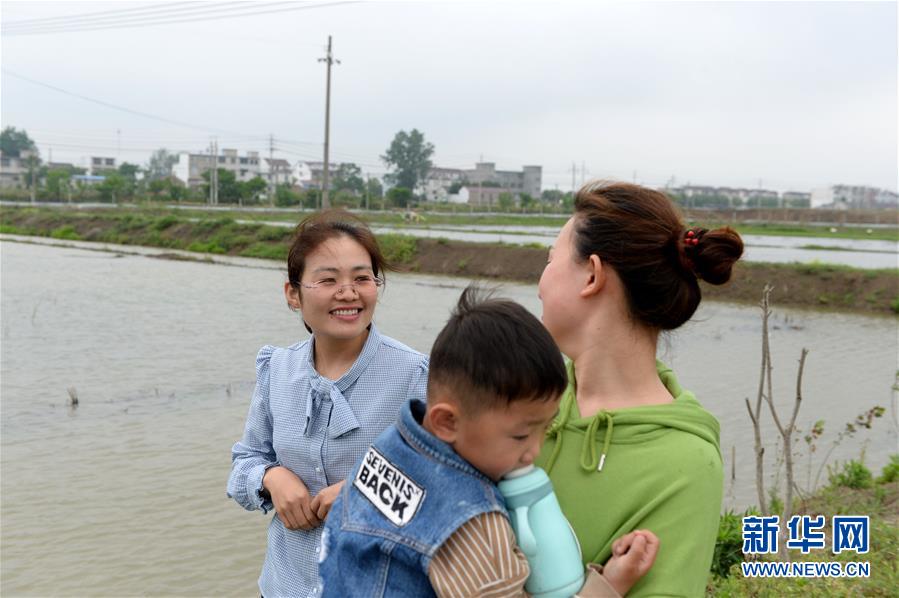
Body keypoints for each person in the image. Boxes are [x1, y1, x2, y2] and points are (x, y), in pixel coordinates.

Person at [319, 287, 659, 597]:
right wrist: (610, 585)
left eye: (546, 428)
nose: (535, 451)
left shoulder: (388, 448)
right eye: (521, 435)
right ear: (447, 421)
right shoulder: (470, 524)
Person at [535, 181, 744, 596]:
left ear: (591, 274)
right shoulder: (527, 391)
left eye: (550, 258)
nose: (540, 279)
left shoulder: (685, 463)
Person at [227, 210, 429, 598]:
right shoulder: (277, 369)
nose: (349, 292)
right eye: (328, 279)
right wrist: (271, 478)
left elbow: (445, 483)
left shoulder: (416, 375)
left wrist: (364, 491)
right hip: (285, 586)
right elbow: (245, 460)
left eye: (362, 278)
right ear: (293, 293)